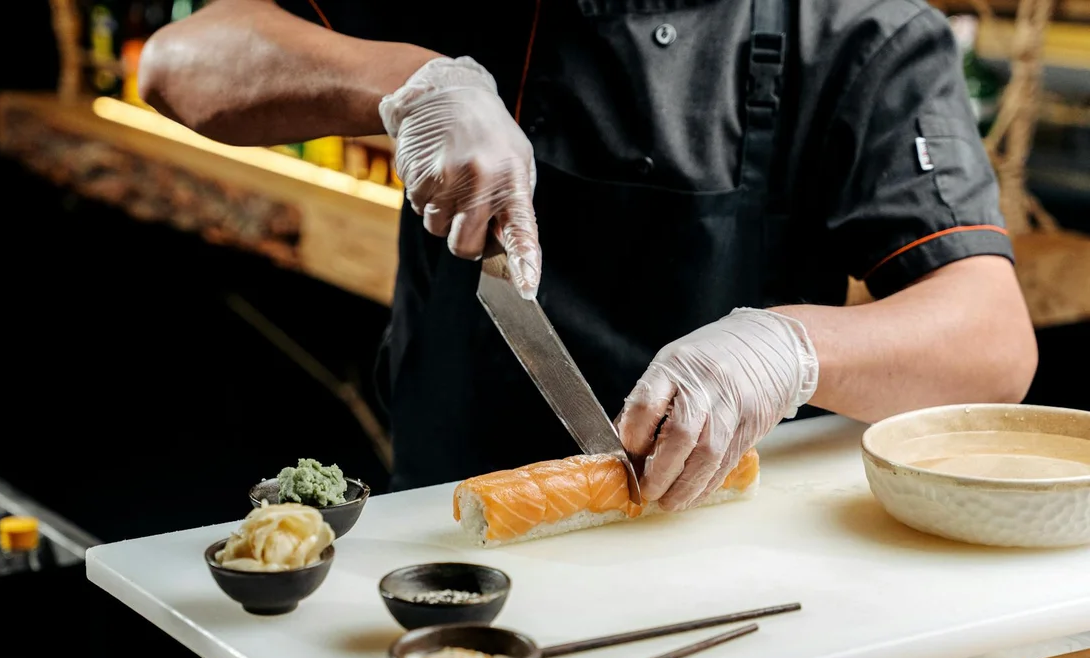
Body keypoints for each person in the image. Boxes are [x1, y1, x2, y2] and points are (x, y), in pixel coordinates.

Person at [139, 0, 1037, 510]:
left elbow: (993, 342)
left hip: (722, 550)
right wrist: (406, 81)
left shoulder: (863, 30)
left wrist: (787, 349)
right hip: (446, 531)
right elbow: (181, 63)